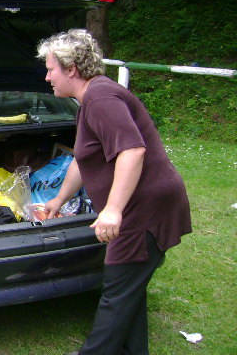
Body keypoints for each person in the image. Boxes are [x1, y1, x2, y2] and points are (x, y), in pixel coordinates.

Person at [36, 29, 192, 355]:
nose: (47, 75)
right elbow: (83, 158)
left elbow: (132, 151)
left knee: (117, 291)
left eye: (51, 68)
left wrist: (113, 209)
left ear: (71, 69)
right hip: (140, 207)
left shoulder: (101, 98)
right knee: (127, 290)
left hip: (145, 209)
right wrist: (59, 199)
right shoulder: (89, 101)